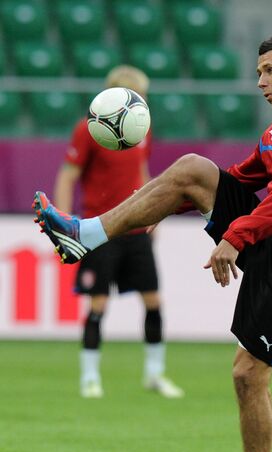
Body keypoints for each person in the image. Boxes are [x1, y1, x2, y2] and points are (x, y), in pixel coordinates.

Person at [33, 35, 272, 452]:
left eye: (269, 70)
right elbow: (234, 179)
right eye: (257, 72)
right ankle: (86, 233)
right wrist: (170, 201)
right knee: (190, 169)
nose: (259, 81)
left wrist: (234, 235)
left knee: (248, 376)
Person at [52, 65, 184, 399]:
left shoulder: (142, 128)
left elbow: (142, 171)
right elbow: (68, 175)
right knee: (98, 304)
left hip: (137, 227)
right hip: (101, 227)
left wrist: (152, 210)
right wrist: (66, 222)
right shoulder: (88, 129)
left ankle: (155, 374)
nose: (144, 100)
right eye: (139, 94)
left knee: (153, 300)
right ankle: (90, 377)